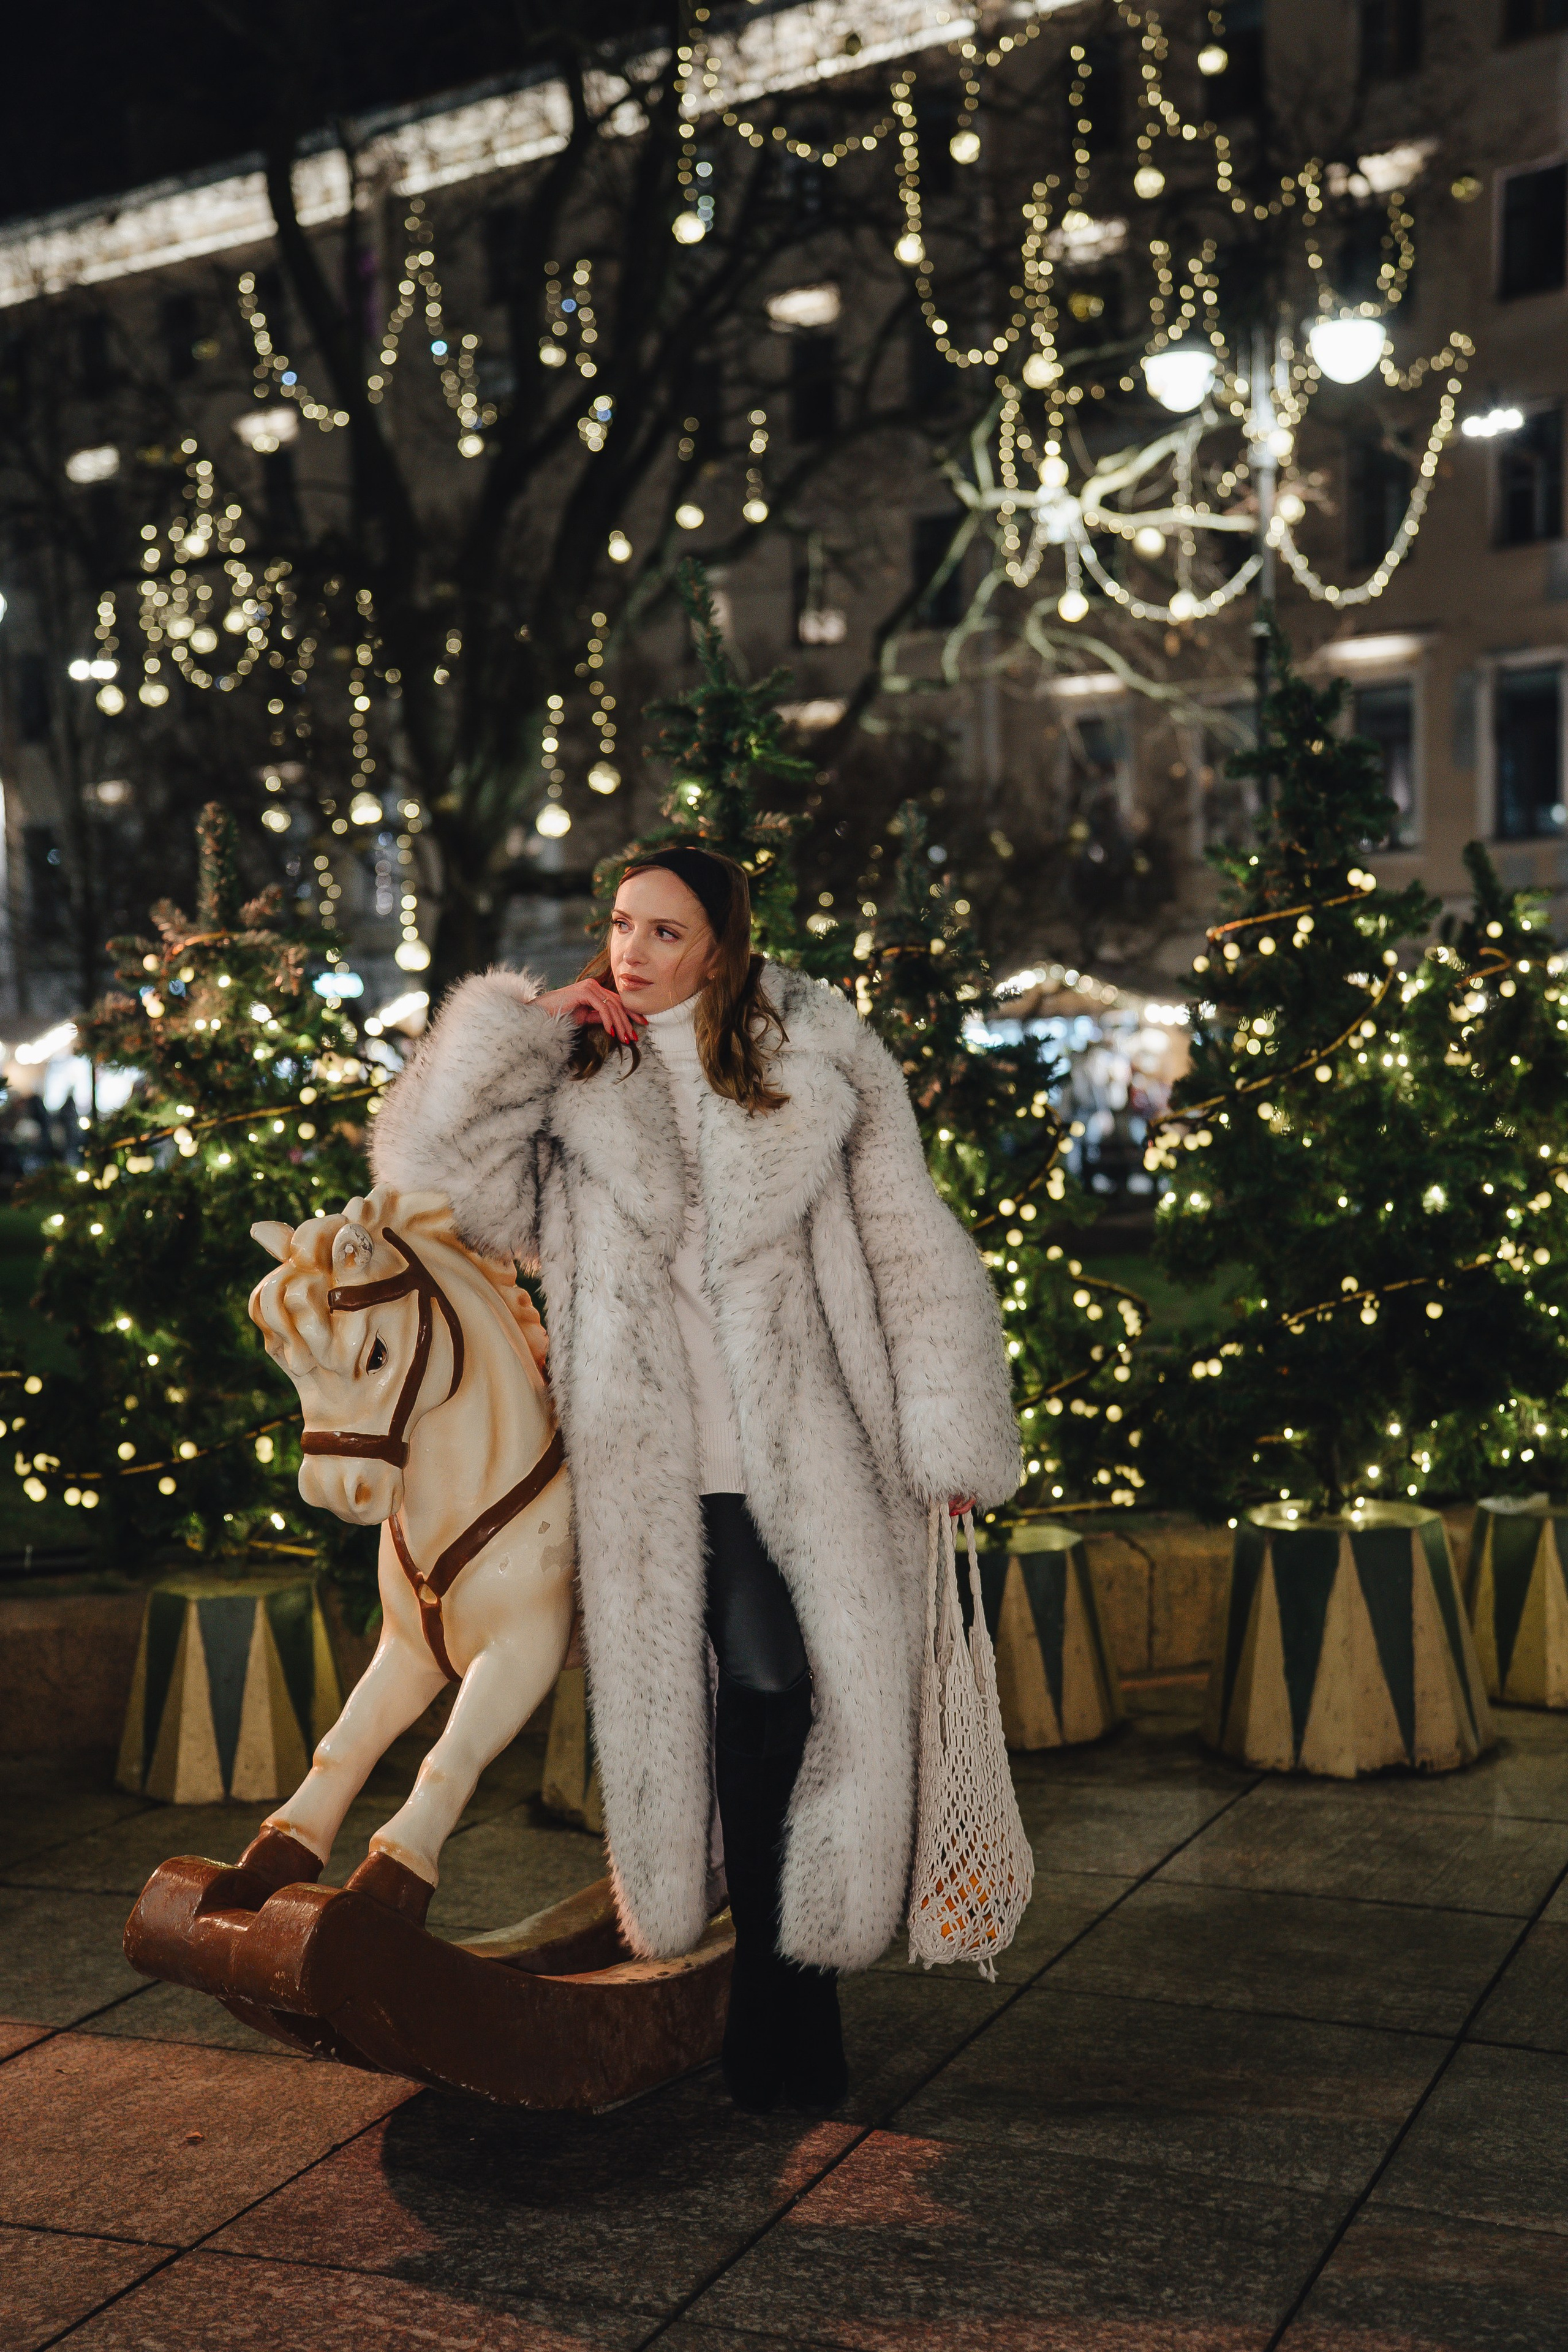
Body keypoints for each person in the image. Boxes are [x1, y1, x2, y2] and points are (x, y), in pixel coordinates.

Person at [371, 846, 1019, 2111]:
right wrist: (523, 1037)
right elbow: (433, 1188)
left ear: (719, 945)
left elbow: (909, 1239)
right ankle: (766, 2001)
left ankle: (787, 1993)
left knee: (783, 1694)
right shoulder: (574, 1071)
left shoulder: (815, 1051)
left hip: (814, 1441)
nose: (631, 953)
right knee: (733, 1701)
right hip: (650, 1463)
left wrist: (948, 1432)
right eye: (619, 926)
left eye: (664, 932)